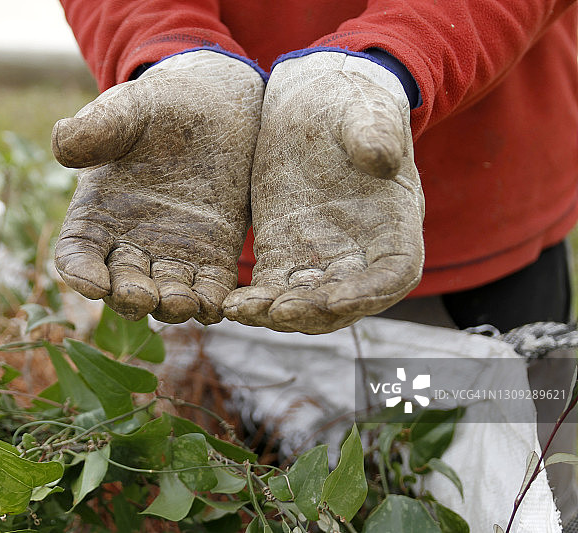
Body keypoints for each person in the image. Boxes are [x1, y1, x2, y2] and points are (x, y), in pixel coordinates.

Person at [51, 0, 578, 526]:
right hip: (194, 222)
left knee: (501, 475)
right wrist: (172, 55)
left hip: (467, 200)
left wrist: (390, 65)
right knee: (241, 460)